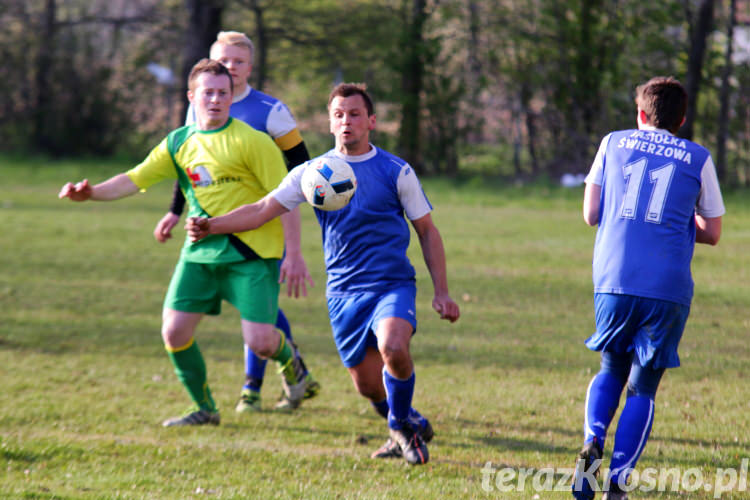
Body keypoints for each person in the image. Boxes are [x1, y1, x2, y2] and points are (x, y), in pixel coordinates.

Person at [185, 83, 460, 465]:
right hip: (343, 292)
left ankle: (400, 427)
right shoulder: (312, 174)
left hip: (390, 284)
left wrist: (442, 292)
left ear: (372, 122)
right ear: (330, 124)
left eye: (355, 114)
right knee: (367, 386)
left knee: (394, 348)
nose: (347, 121)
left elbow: (427, 231)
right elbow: (263, 208)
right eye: (339, 115)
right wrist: (212, 225)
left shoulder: (396, 170)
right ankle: (407, 418)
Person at [59, 59, 313, 427]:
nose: (215, 99)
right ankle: (205, 408)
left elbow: (285, 199)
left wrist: (294, 253)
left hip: (253, 254)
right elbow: (135, 178)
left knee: (260, 341)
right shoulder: (179, 142)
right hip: (200, 253)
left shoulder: (254, 142)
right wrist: (92, 193)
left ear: (231, 97)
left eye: (222, 93)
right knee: (174, 332)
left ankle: (293, 364)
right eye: (207, 92)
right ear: (191, 96)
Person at [572, 76, 724, 500]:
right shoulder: (699, 157)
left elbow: (591, 213)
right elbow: (712, 232)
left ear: (640, 114)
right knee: (643, 385)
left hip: (614, 279)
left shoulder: (613, 142)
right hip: (667, 286)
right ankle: (617, 484)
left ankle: (593, 439)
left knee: (610, 367)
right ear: (682, 119)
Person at [152, 31, 319, 413]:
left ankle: (255, 386)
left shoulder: (270, 111)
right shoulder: (200, 105)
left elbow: (300, 171)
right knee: (258, 317)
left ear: (250, 66)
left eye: (238, 61)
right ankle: (258, 388)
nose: (230, 68)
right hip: (212, 233)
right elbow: (189, 166)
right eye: (223, 60)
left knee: (260, 318)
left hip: (261, 226)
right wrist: (176, 211)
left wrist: (295, 246)